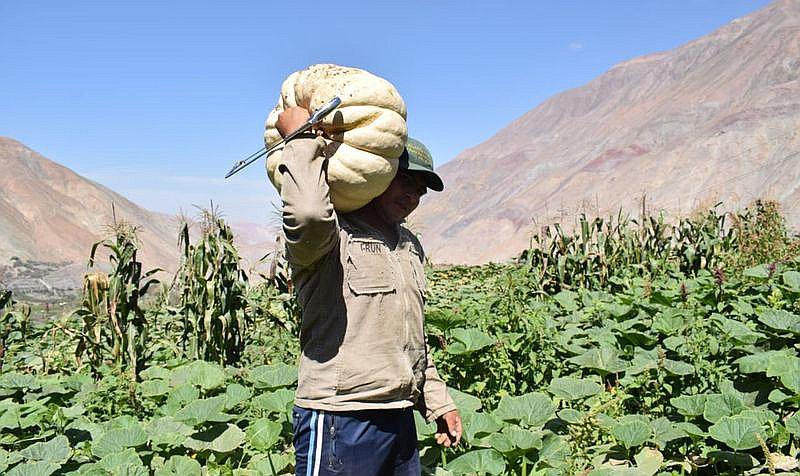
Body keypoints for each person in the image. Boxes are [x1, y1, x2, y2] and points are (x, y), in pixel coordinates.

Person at [275, 106, 462, 476]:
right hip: (339, 417)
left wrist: (437, 402)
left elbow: (413, 337)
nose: (412, 195)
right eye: (404, 180)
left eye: (420, 189)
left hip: (399, 416)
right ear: (376, 175)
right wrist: (299, 141)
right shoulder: (330, 238)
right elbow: (308, 214)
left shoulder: (409, 246)